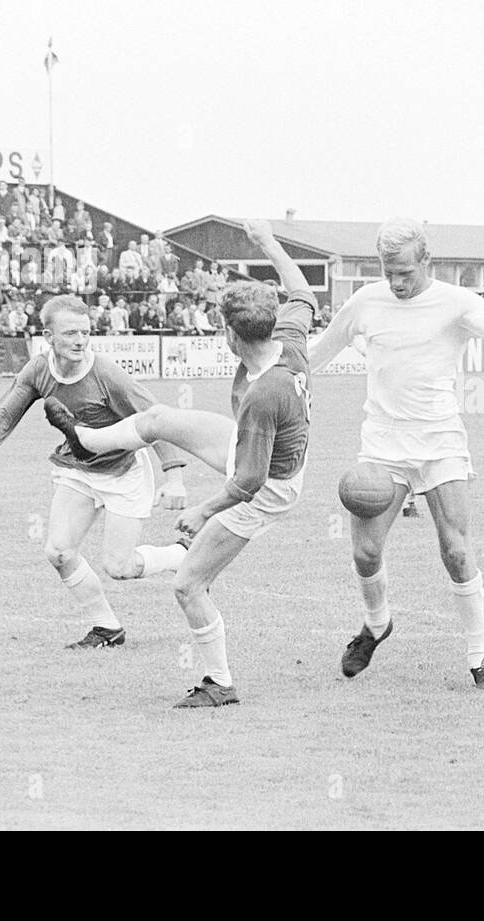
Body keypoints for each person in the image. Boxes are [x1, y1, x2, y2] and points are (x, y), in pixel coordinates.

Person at [307, 218, 484, 691]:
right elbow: (318, 353)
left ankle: (480, 655)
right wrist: (276, 373)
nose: (397, 282)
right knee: (364, 552)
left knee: (456, 551)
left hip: (440, 440)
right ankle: (377, 624)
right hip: (382, 443)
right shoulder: (364, 302)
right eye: (388, 272)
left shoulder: (457, 302)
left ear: (426, 261)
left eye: (405, 272)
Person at [45, 221, 315, 707]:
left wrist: (202, 512)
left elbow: (249, 481)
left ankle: (220, 683)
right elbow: (301, 289)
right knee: (157, 418)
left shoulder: (263, 394)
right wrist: (267, 242)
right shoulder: (289, 338)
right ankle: (87, 440)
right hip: (262, 450)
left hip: (265, 485)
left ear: (230, 334)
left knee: (189, 585)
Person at [0, 295, 192, 648]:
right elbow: (6, 413)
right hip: (76, 468)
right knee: (59, 552)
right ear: (49, 337)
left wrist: (175, 476)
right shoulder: (38, 370)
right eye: (70, 334)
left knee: (120, 567)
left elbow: (155, 418)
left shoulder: (106, 373)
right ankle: (106, 627)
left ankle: (180, 555)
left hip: (123, 470)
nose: (80, 340)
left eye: (86, 332)